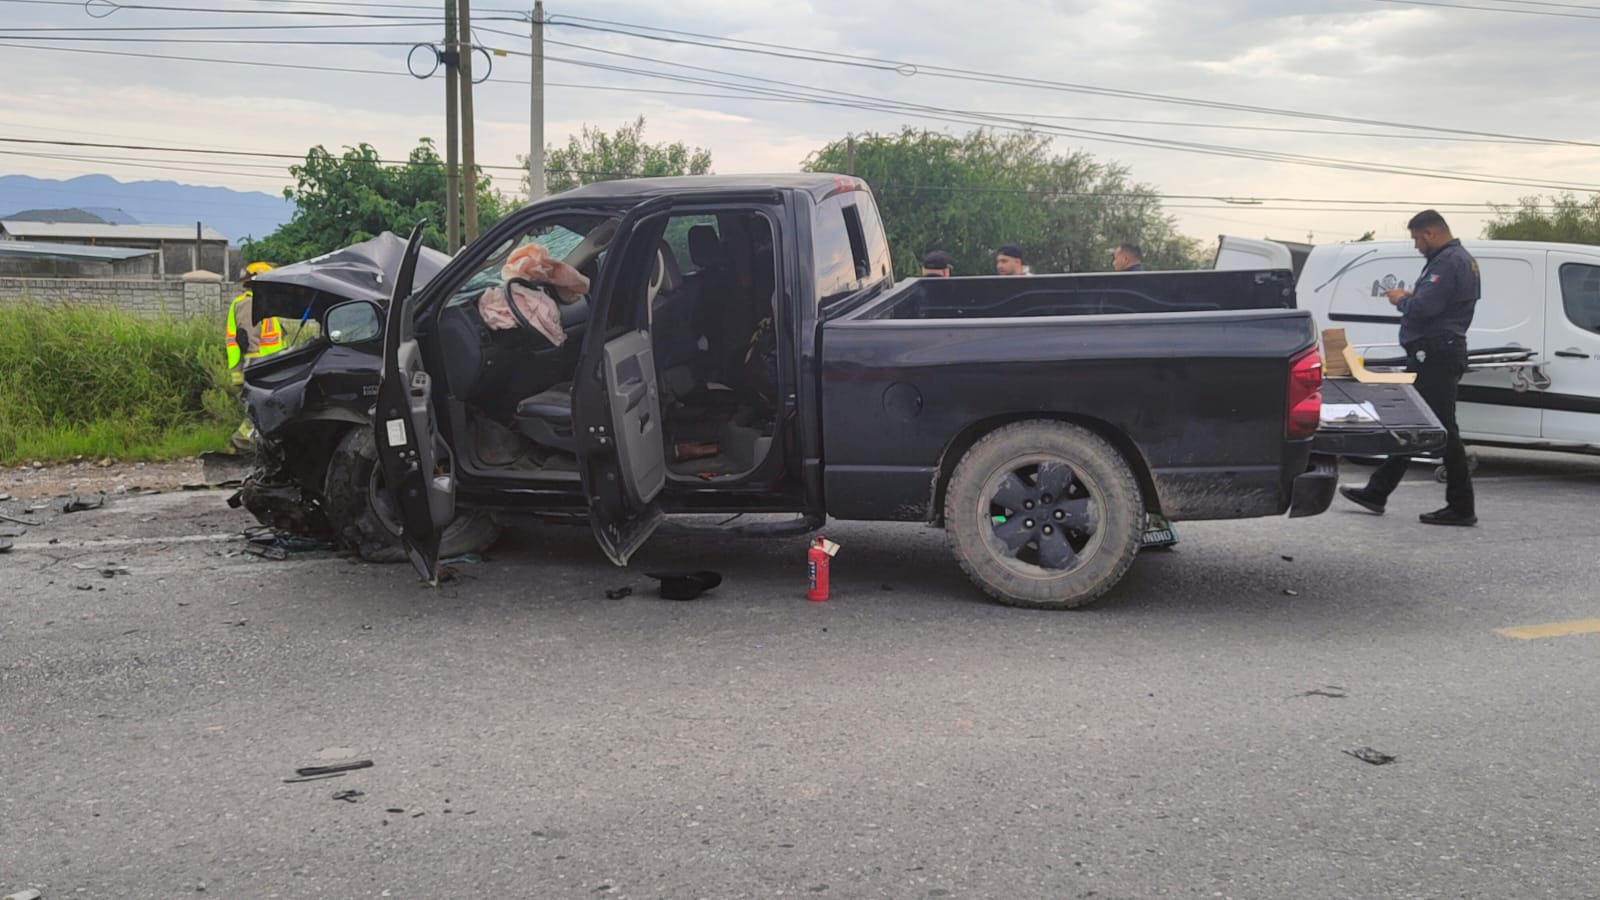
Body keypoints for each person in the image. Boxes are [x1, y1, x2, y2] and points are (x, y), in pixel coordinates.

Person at [1340, 209, 1479, 526]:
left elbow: (1425, 307)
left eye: (1417, 238)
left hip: (1435, 352)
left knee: (1442, 430)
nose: (1416, 246)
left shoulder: (1447, 261)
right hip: (1439, 351)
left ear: (1430, 233)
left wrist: (1402, 299)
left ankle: (1462, 506)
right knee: (1419, 425)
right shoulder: (1462, 260)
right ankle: (1377, 492)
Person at [226, 261, 286, 450]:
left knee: (262, 411)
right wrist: (255, 368)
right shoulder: (249, 304)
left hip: (264, 367)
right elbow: (249, 339)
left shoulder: (259, 304)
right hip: (255, 368)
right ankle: (239, 446)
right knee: (259, 412)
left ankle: (256, 448)